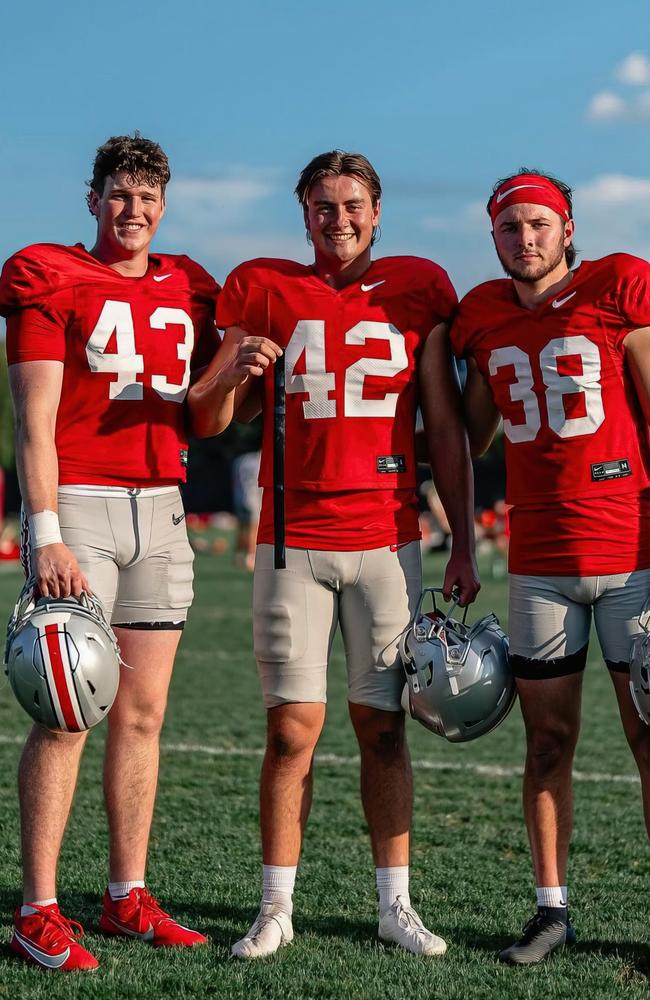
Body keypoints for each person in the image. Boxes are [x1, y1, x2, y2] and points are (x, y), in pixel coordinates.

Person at [189, 150, 479, 958]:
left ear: (378, 211)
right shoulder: (262, 286)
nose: (338, 218)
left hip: (388, 541)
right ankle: (275, 906)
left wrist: (461, 536)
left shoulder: (420, 288)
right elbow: (209, 421)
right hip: (292, 543)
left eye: (352, 204)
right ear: (303, 213)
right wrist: (226, 376)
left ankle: (396, 905)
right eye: (322, 205)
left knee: (383, 728)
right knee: (292, 731)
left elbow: (446, 427)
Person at [0, 133, 219, 971]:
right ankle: (37, 909)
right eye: (120, 196)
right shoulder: (47, 273)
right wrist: (45, 532)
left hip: (163, 506)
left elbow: (204, 412)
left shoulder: (190, 284)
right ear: (93, 200)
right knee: (66, 713)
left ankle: (126, 893)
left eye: (148, 198)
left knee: (143, 713)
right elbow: (34, 421)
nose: (134, 211)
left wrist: (229, 369)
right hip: (82, 506)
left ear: (165, 204)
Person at [451, 168, 650, 964]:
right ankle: (550, 908)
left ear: (569, 229)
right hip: (539, 558)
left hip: (632, 550)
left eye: (539, 224)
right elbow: (471, 437)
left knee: (648, 737)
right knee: (547, 743)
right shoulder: (481, 316)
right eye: (510, 228)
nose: (525, 239)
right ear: (493, 237)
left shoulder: (619, 286)